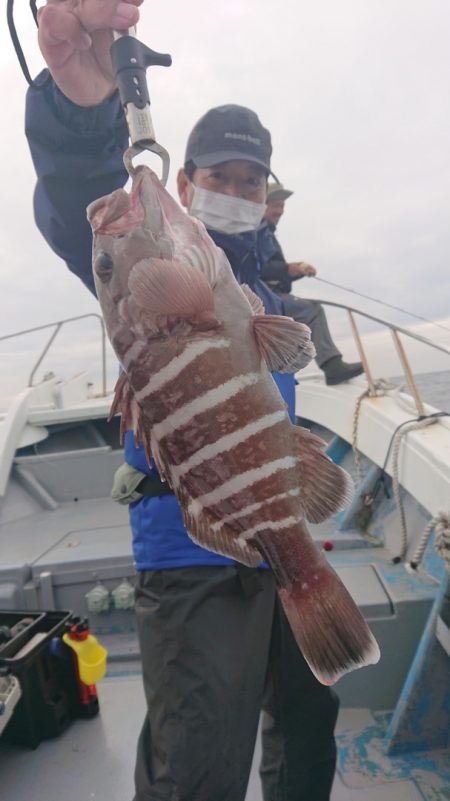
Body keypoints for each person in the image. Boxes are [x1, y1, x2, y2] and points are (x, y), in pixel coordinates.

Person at [24, 3, 339, 799]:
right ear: (184, 180)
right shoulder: (153, 275)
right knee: (196, 766)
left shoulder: (259, 284)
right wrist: (82, 110)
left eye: (249, 180)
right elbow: (76, 211)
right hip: (191, 556)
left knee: (306, 733)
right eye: (218, 176)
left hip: (278, 521)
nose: (234, 191)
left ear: (266, 193)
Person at [259, 182, 364, 385]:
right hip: (263, 298)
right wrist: (288, 269)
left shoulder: (266, 233)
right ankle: (332, 366)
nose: (280, 211)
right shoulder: (257, 231)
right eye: (275, 205)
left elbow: (273, 272)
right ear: (261, 205)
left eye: (282, 206)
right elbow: (254, 269)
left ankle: (308, 366)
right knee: (312, 310)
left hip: (270, 296)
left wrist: (297, 271)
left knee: (309, 310)